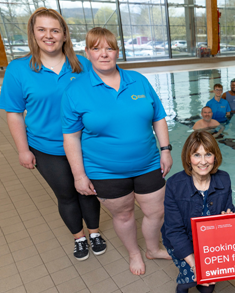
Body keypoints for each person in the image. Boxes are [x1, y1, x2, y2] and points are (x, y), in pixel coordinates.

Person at [61, 27, 173, 275]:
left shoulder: (138, 80)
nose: (104, 54)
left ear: (117, 52)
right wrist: (79, 175)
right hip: (105, 170)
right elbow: (70, 137)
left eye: (109, 48)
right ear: (87, 52)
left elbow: (159, 117)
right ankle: (134, 253)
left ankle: (153, 249)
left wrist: (165, 150)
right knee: (123, 215)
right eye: (96, 48)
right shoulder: (76, 90)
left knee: (156, 212)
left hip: (148, 163)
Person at [0, 7, 105, 261]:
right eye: (42, 30)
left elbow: (99, 97)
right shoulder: (18, 69)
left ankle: (94, 232)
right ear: (33, 34)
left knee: (89, 190)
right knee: (67, 194)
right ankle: (79, 238)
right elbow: (14, 113)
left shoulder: (80, 64)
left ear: (65, 34)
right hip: (47, 147)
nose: (49, 35)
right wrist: (23, 150)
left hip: (84, 144)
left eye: (55, 30)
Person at [161, 131, 234, 293]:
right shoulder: (174, 185)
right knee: (192, 279)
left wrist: (228, 217)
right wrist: (196, 265)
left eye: (208, 154)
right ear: (188, 158)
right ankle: (181, 289)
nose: (203, 161)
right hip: (182, 240)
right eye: (197, 155)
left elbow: (229, 207)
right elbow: (174, 231)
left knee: (207, 289)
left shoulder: (224, 179)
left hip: (209, 243)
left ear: (215, 156)